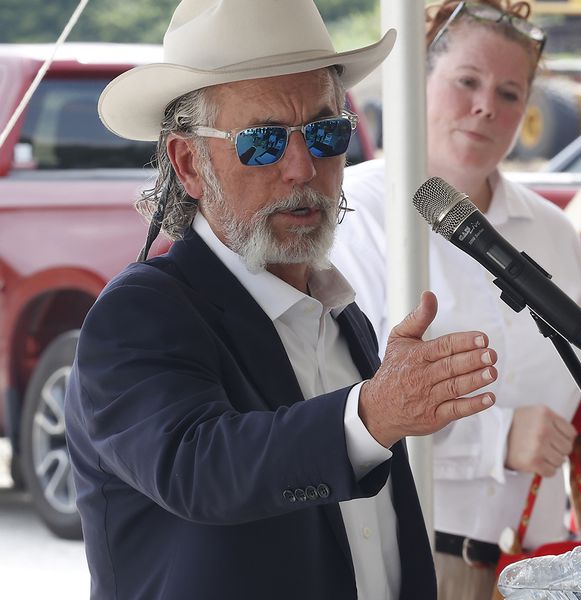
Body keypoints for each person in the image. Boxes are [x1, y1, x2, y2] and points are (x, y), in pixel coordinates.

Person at [64, 1, 500, 599]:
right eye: (263, 142)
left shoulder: (342, 317)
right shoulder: (138, 315)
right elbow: (200, 469)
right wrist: (373, 414)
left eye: (325, 132)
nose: (303, 166)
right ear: (189, 164)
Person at [330, 1, 581, 598]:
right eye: (467, 82)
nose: (485, 107)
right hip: (412, 558)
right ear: (417, 81)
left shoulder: (554, 235)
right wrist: (495, 441)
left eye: (509, 92)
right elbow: (338, 405)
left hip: (538, 568)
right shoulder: (356, 215)